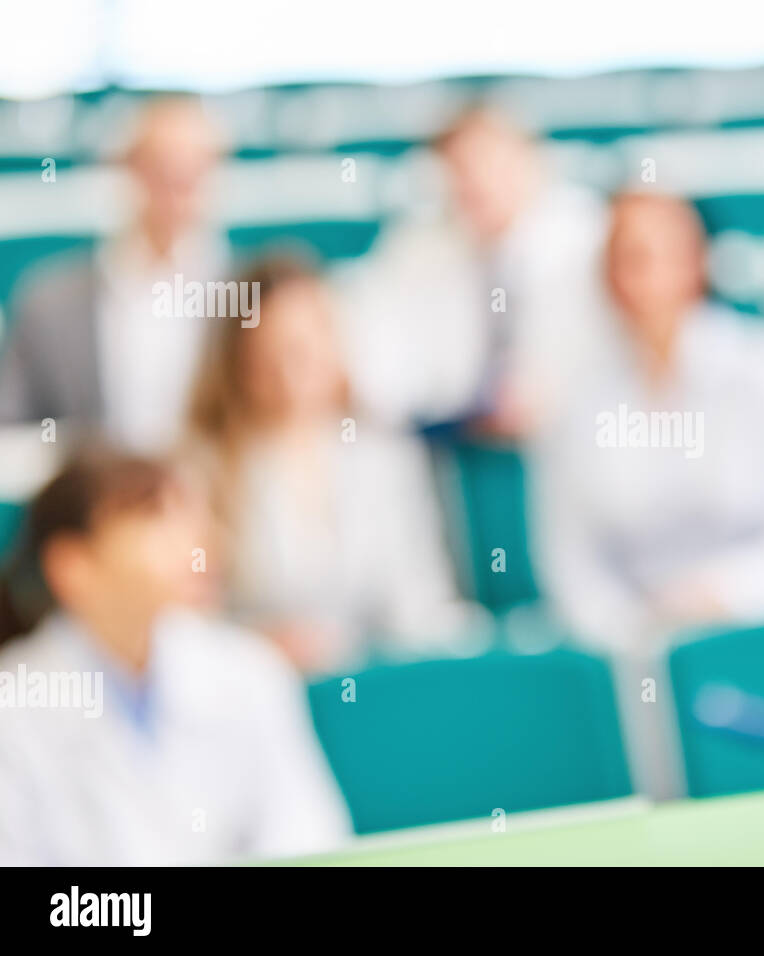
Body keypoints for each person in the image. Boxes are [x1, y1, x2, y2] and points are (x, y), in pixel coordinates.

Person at [0, 448, 351, 865]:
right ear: (72, 565)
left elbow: (310, 838)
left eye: (192, 519)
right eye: (156, 519)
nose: (198, 544)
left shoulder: (248, 672)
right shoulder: (15, 708)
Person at [533, 192, 764, 649]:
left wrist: (721, 595)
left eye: (661, 255)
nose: (644, 279)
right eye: (626, 259)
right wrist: (634, 633)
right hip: (633, 650)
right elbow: (571, 566)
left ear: (699, 261)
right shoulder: (577, 400)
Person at [185, 255, 483, 675]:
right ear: (240, 360)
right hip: (256, 693)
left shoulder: (386, 457)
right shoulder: (204, 468)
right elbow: (187, 628)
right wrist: (260, 646)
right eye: (272, 354)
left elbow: (422, 602)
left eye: (304, 349)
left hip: (375, 690)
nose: (291, 375)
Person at [340, 105, 612, 435]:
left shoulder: (590, 235)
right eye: (460, 170)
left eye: (491, 164)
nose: (477, 182)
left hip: (575, 434)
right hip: (454, 442)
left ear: (529, 162)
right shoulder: (415, 247)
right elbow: (379, 349)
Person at [0, 97, 228, 451]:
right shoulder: (48, 302)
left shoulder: (248, 295)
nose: (176, 190)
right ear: (128, 170)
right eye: (162, 169)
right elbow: (11, 426)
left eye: (192, 172)